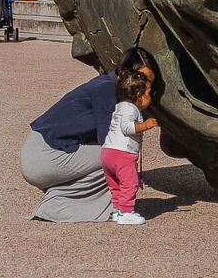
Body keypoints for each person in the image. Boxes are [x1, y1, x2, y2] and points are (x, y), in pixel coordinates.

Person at [20, 47, 161, 222]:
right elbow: (108, 141)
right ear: (123, 72)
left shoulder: (109, 86)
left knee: (115, 156)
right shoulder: (107, 90)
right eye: (141, 78)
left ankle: (62, 200)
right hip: (44, 155)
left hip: (43, 151)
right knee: (119, 156)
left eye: (149, 83)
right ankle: (58, 206)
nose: (145, 87)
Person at [100, 69, 160, 225]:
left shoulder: (119, 106)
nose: (149, 97)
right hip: (122, 153)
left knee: (115, 184)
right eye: (148, 93)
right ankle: (126, 212)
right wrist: (145, 125)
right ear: (139, 95)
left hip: (108, 152)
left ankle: (117, 210)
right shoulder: (130, 109)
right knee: (130, 183)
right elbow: (127, 127)